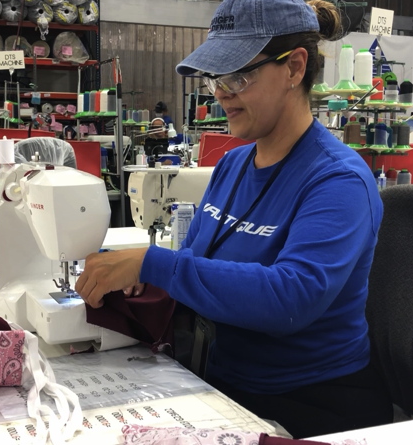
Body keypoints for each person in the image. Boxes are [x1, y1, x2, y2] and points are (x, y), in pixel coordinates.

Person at [76, 0, 392, 438]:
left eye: (238, 75)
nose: (221, 92)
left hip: (309, 403)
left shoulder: (338, 181)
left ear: (294, 68)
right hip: (220, 382)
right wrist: (140, 279)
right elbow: (199, 262)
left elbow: (291, 299)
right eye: (216, 78)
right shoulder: (232, 165)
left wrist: (153, 264)